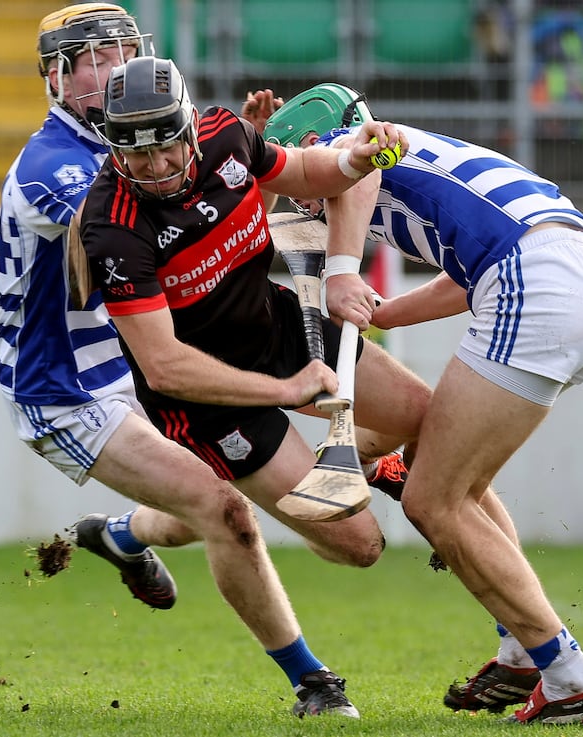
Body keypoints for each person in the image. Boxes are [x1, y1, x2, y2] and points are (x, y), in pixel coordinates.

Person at [0, 6, 364, 718]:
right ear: (55, 78)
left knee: (223, 490)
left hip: (134, 358)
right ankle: (312, 681)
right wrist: (240, 160)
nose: (107, 72)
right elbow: (167, 219)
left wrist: (246, 149)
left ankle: (122, 534)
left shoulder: (148, 137)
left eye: (120, 52)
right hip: (66, 391)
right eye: (87, 60)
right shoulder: (56, 168)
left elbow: (200, 197)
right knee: (222, 504)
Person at [261, 83, 583, 725]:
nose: (299, 191)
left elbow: (358, 165)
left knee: (434, 499)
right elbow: (465, 271)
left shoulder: (363, 145)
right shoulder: (419, 158)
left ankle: (570, 678)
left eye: (297, 167)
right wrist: (387, 312)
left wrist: (344, 272)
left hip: (535, 283)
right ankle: (521, 651)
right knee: (451, 479)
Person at [77, 55, 430, 572]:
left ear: (189, 128)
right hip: (208, 401)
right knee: (362, 546)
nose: (153, 168)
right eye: (136, 155)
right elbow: (165, 366)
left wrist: (354, 160)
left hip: (277, 329)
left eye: (165, 147)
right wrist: (285, 392)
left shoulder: (226, 134)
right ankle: (129, 531)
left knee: (423, 414)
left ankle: (359, 464)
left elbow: (304, 171)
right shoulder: (112, 226)